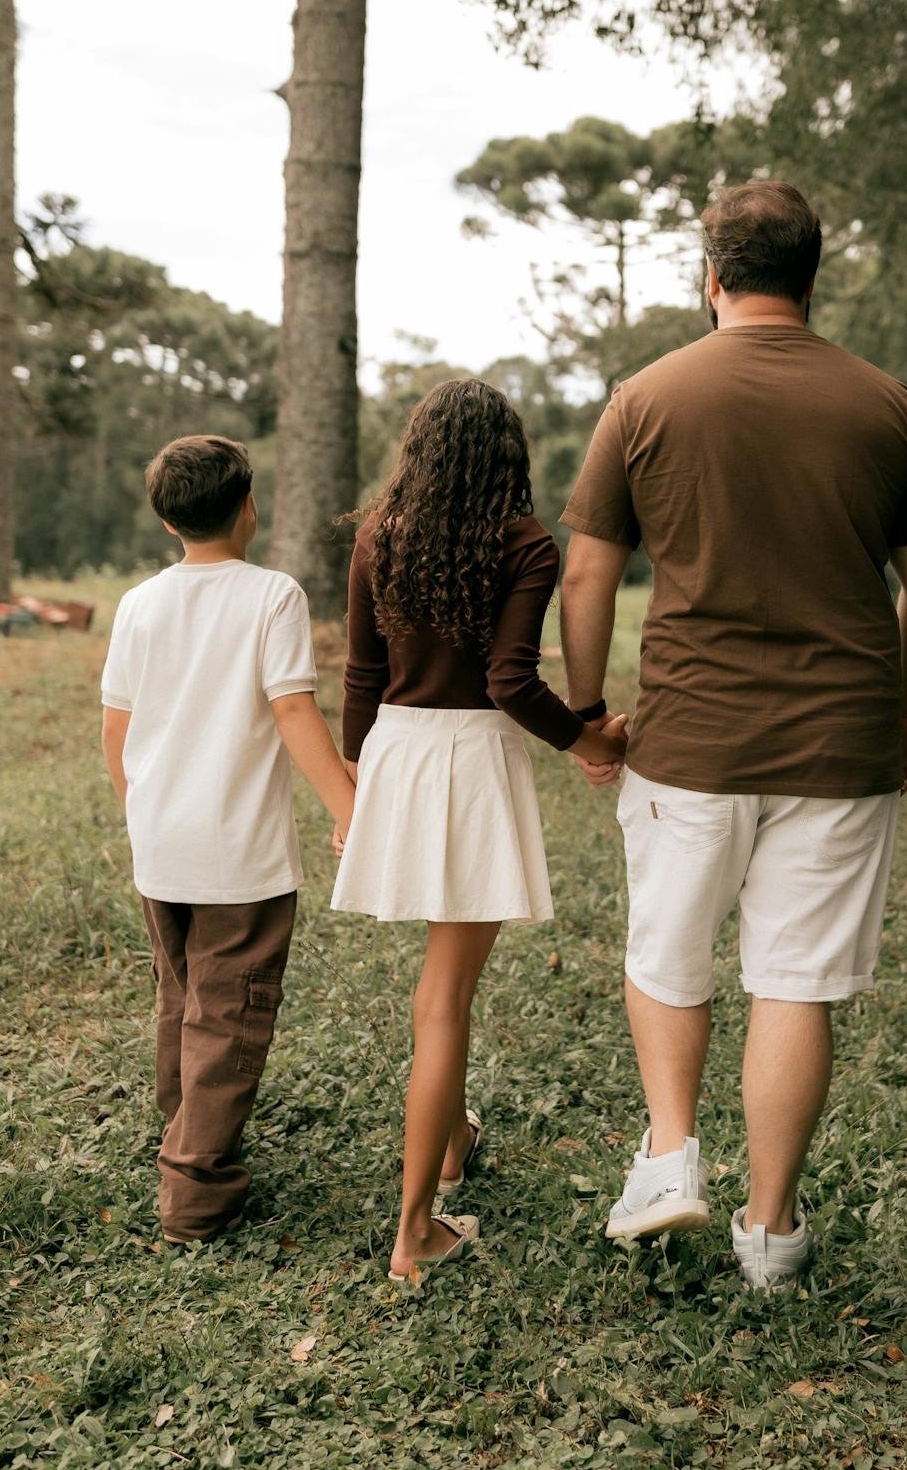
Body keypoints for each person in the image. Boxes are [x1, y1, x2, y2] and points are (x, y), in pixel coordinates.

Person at [559, 180, 907, 1289]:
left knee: (667, 954)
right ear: (812, 278)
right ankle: (771, 1232)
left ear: (713, 279)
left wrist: (588, 714)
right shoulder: (886, 405)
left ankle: (672, 1157)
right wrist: (906, 707)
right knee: (793, 983)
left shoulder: (646, 397)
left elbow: (589, 568)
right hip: (840, 745)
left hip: (689, 739)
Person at [333, 378, 627, 1286]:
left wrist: (358, 788)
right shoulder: (523, 543)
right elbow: (509, 680)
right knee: (444, 1002)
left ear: (417, 449)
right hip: (469, 766)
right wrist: (589, 737)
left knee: (440, 992)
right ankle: (416, 1230)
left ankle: (455, 1141)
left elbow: (359, 674)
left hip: (397, 753)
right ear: (509, 456)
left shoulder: (379, 534)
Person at [101, 434, 357, 1246]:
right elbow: (292, 711)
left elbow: (117, 728)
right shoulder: (272, 595)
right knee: (228, 1016)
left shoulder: (139, 603)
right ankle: (195, 1197)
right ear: (249, 507)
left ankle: (186, 1135)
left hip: (160, 842)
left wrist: (141, 814)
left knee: (181, 1000)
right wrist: (350, 807)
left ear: (168, 520)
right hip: (238, 856)